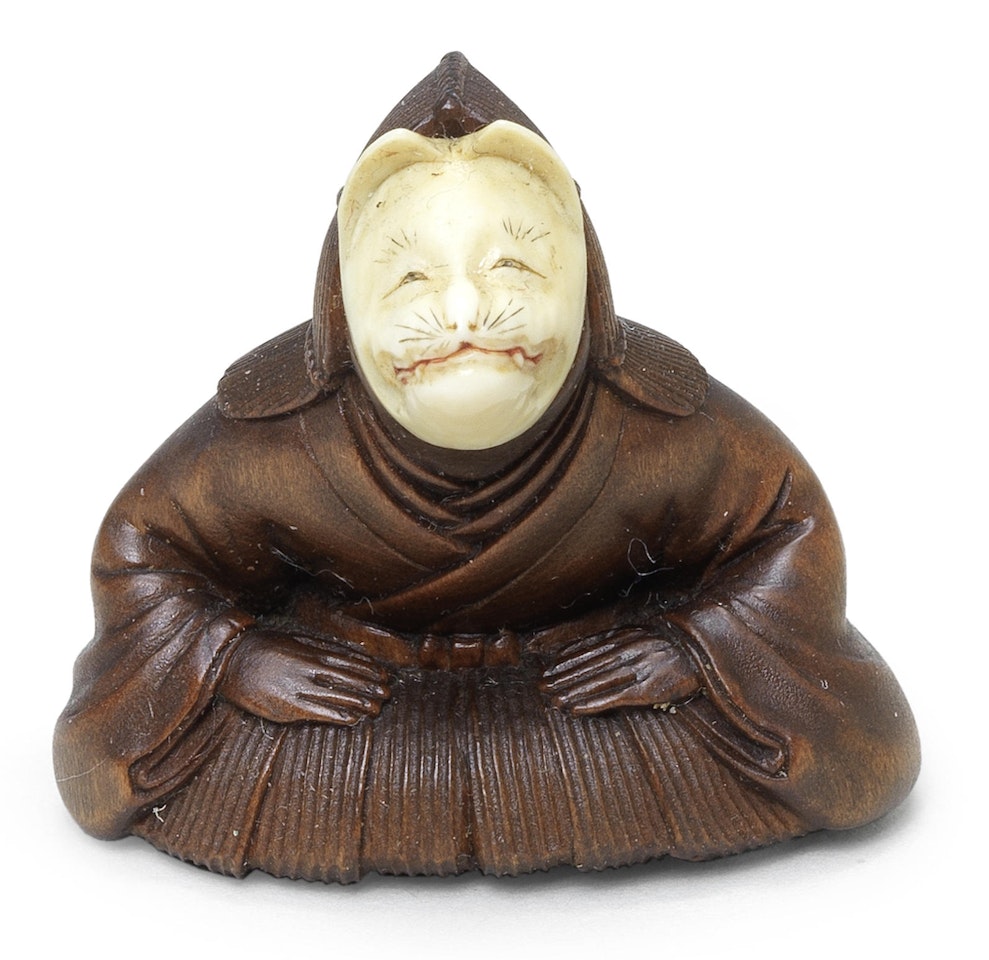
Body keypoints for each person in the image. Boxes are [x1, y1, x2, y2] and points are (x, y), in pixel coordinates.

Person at [54, 53, 919, 881]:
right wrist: (228, 659)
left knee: (853, 756)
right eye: (410, 277)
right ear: (340, 302)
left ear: (585, 281)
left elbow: (785, 536)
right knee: (182, 770)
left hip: (584, 683)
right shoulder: (271, 432)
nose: (464, 310)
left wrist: (695, 649)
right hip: (350, 694)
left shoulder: (661, 420)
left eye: (511, 264)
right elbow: (144, 553)